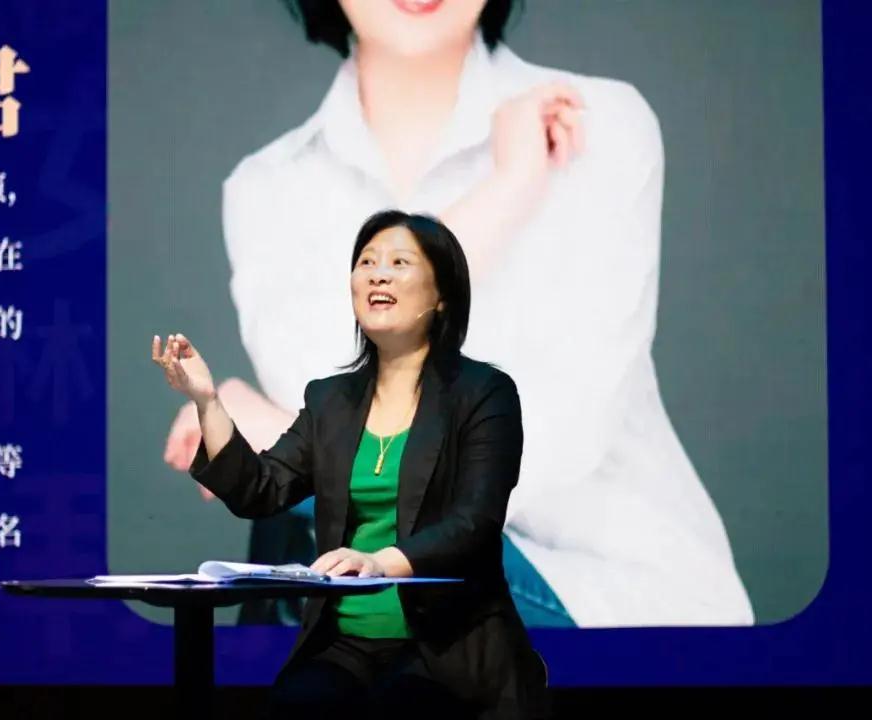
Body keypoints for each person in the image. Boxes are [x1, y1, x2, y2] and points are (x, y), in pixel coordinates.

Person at [164, 0, 754, 627]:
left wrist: (275, 434)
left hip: (601, 597)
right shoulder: (268, 190)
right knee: (311, 548)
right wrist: (506, 189)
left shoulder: (592, 122)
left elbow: (549, 445)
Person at [153, 211, 549, 719]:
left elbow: (475, 522)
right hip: (344, 645)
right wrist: (208, 401)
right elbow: (262, 490)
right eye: (367, 262)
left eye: (399, 263)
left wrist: (381, 562)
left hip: (446, 645)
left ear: (441, 296)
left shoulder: (483, 394)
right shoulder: (331, 400)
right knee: (298, 705)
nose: (378, 275)